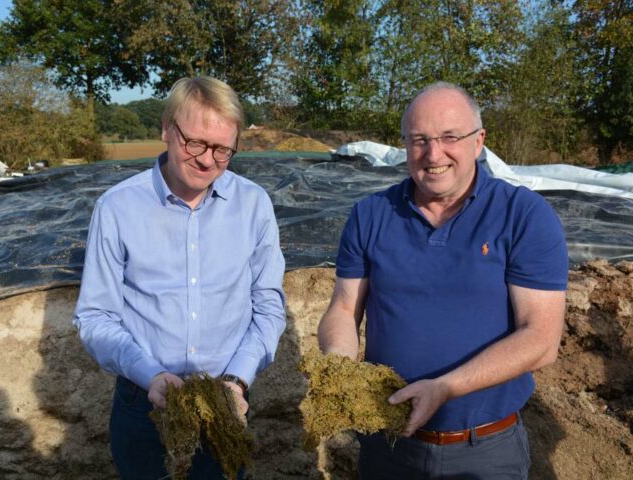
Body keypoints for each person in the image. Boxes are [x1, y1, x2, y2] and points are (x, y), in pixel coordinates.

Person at [318, 81, 568, 479]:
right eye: (419, 140)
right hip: (388, 444)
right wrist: (340, 368)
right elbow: (345, 308)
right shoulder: (371, 214)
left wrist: (445, 388)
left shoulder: (523, 215)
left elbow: (541, 338)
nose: (433, 155)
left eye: (449, 137)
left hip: (484, 451)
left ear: (478, 141)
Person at [73, 76, 286, 479]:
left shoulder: (254, 205)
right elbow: (96, 316)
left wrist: (237, 380)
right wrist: (149, 375)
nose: (208, 160)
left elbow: (269, 308)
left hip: (224, 407)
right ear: (167, 129)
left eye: (224, 149)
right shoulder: (117, 208)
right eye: (196, 143)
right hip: (142, 409)